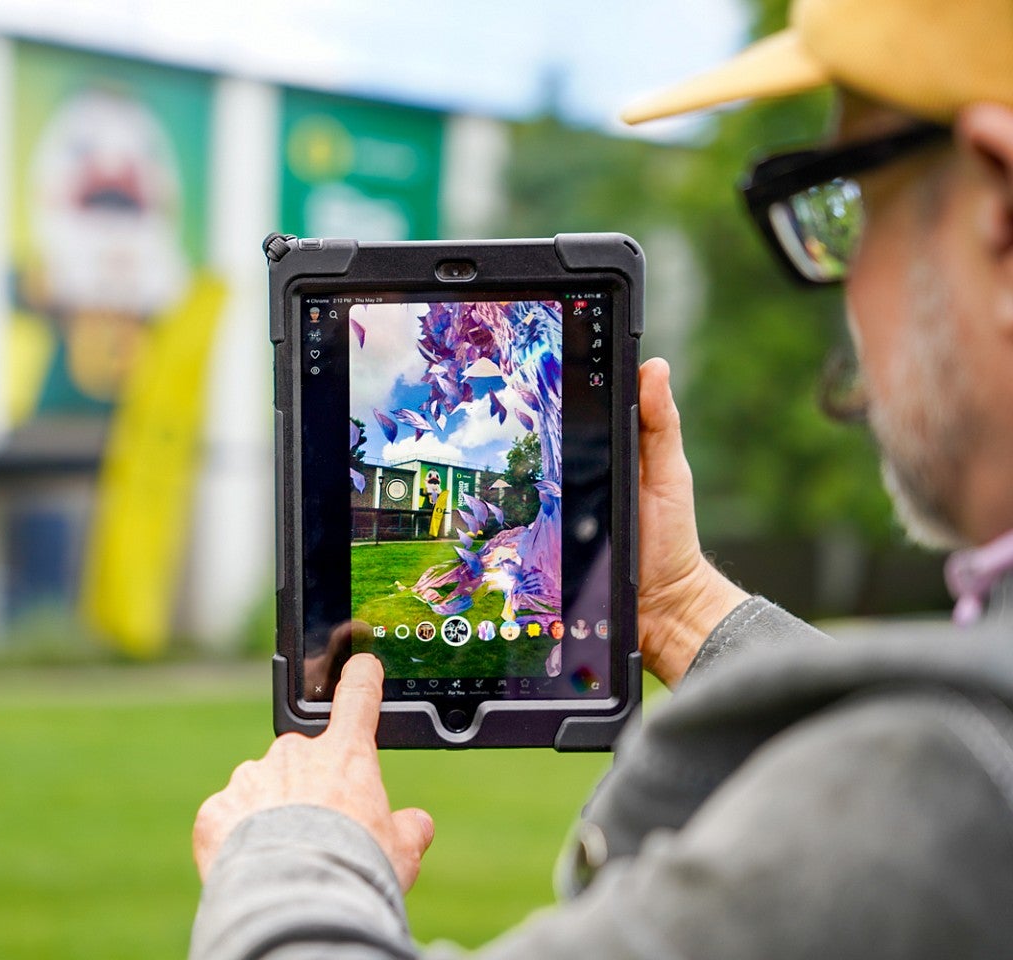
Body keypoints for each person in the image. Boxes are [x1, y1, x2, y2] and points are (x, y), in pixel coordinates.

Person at [190, 0, 1013, 956]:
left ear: (1001, 211)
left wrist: (293, 850)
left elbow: (916, 789)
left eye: (845, 204)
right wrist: (678, 605)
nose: (843, 278)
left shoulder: (950, 784)